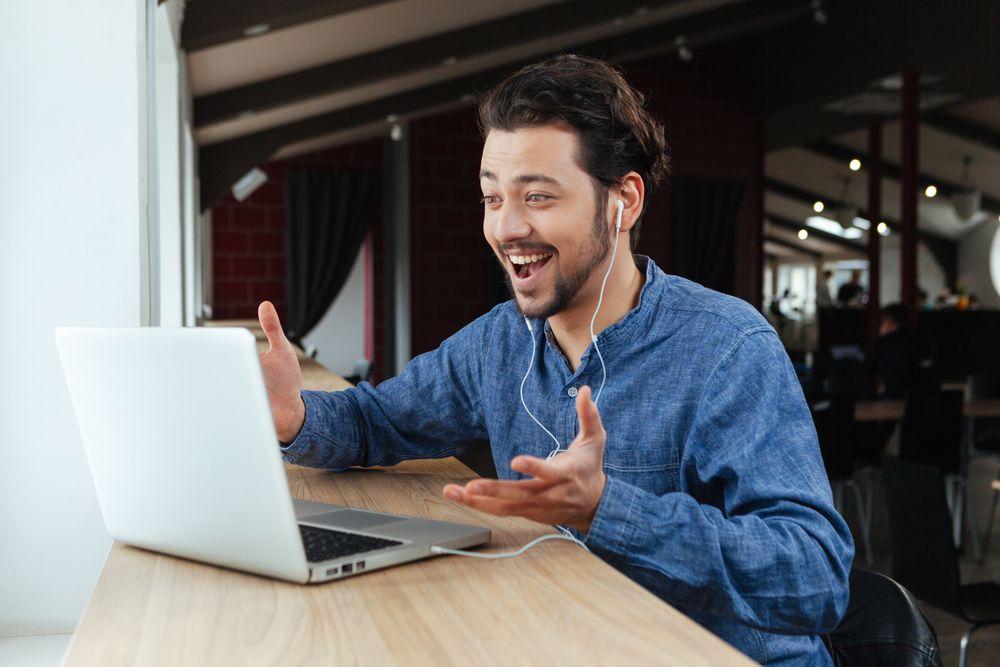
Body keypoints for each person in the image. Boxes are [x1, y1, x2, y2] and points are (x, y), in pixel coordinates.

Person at [257, 55, 853, 665]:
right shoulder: (500, 342)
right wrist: (294, 418)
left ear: (624, 201)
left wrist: (607, 511)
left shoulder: (728, 348)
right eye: (492, 198)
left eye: (538, 196)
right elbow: (375, 422)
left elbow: (816, 577)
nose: (507, 227)